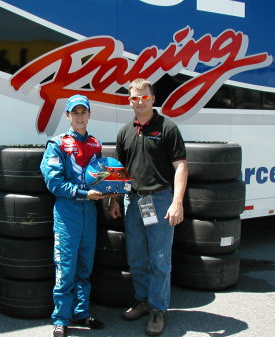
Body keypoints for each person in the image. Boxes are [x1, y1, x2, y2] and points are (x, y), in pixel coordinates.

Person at [108, 78, 188, 336]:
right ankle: (142, 300)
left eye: (144, 97)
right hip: (134, 201)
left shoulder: (168, 128)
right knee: (136, 257)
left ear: (153, 99)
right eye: (134, 98)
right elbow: (119, 172)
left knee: (160, 258)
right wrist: (115, 200)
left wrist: (177, 202)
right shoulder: (125, 132)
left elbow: (181, 166)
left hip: (161, 200)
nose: (139, 101)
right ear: (128, 100)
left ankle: (157, 309)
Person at [40, 94, 105, 337]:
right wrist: (82, 194)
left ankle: (82, 312)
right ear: (67, 115)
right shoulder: (57, 144)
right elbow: (53, 183)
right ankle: (61, 318)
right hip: (68, 213)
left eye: (83, 111)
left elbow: (101, 178)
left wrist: (110, 193)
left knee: (85, 267)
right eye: (74, 112)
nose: (79, 116)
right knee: (65, 268)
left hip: (90, 212)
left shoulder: (96, 144)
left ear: (89, 114)